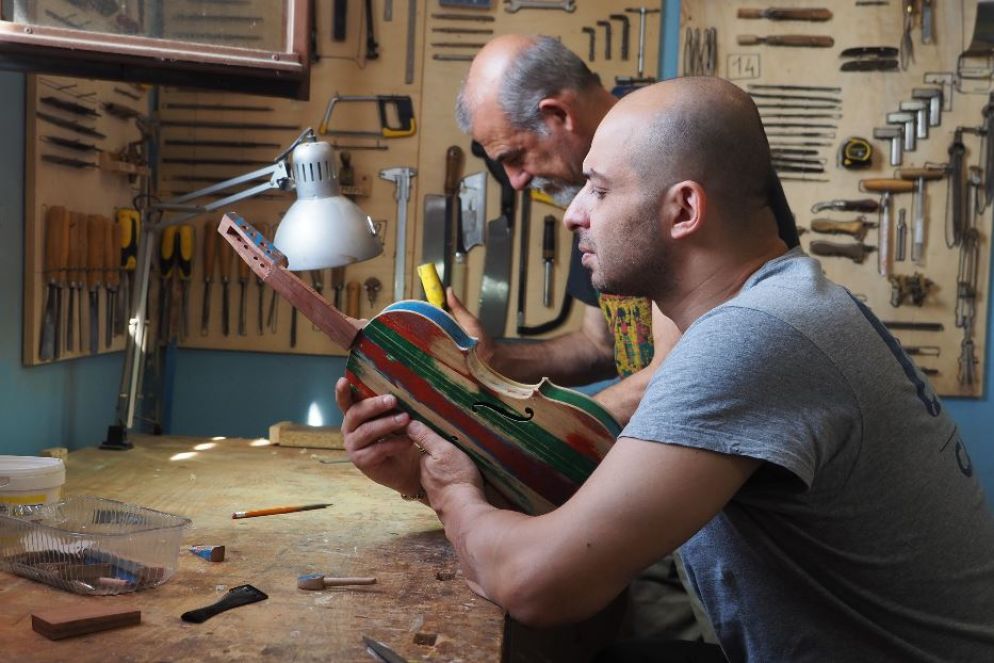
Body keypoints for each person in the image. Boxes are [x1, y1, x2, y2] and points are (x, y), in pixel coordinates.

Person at [337, 77, 994, 661]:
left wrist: (451, 491)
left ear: (684, 209)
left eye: (598, 189)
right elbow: (593, 513)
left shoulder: (753, 337)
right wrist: (424, 477)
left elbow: (540, 582)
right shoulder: (779, 301)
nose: (573, 214)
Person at [449, 34, 799, 426]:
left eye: (515, 157)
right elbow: (600, 345)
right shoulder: (585, 190)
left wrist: (530, 436)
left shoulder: (671, 145)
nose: (515, 181)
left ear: (559, 115)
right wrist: (493, 360)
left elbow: (679, 373)